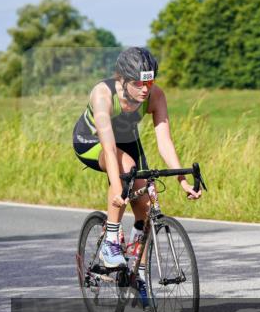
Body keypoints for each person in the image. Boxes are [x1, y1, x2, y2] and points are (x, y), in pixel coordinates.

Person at [72, 47, 202, 292]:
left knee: (147, 201)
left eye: (149, 82)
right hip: (92, 142)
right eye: (139, 83)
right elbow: (110, 150)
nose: (145, 89)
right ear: (121, 79)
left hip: (127, 140)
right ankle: (111, 241)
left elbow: (165, 142)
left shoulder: (155, 96)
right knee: (126, 168)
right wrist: (118, 188)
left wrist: (182, 181)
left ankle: (138, 273)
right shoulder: (103, 94)